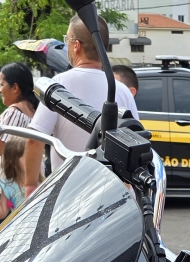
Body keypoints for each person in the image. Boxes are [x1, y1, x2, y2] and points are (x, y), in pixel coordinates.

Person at [23, 14, 138, 193]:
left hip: (69, 195)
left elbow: (35, 140)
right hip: (114, 198)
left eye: (66, 40)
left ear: (76, 45)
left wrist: (30, 185)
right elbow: (135, 145)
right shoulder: (122, 90)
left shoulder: (58, 85)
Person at [0, 62, 37, 239]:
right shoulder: (33, 111)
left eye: (1, 84)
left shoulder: (13, 112)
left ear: (15, 88)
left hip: (8, 189)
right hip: (25, 186)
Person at [0, 138, 27, 230]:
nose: (32, 159)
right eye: (26, 156)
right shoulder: (8, 186)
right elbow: (2, 213)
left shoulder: (39, 180)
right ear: (13, 161)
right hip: (20, 229)